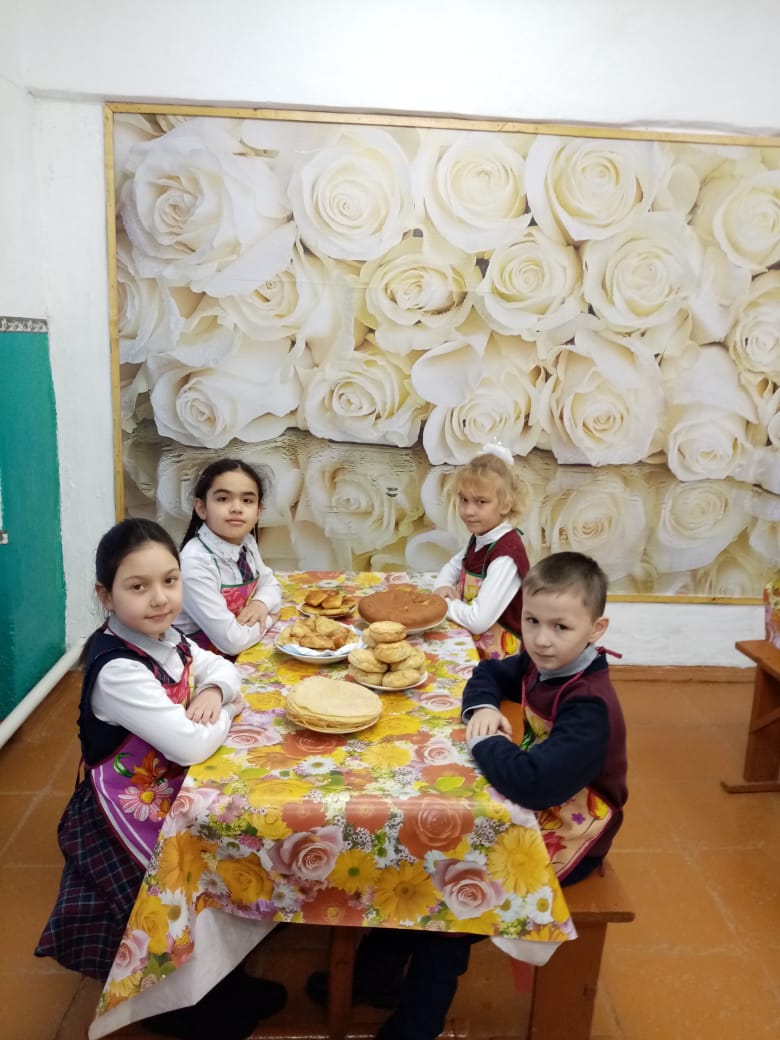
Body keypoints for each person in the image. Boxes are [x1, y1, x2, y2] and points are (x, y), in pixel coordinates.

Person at [316, 551, 628, 1040]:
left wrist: (484, 741)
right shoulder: (544, 662)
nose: (542, 639)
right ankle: (376, 977)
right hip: (544, 793)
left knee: (454, 902)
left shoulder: (589, 704)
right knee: (420, 857)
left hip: (577, 827)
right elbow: (489, 674)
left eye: (561, 627)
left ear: (596, 629)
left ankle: (415, 1027)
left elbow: (532, 784)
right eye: (532, 621)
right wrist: (481, 708)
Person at [35, 518, 286, 1040]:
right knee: (165, 911)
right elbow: (189, 744)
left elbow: (224, 669)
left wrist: (213, 692)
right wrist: (228, 711)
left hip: (169, 791)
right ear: (105, 595)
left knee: (210, 890)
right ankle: (175, 1011)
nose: (159, 598)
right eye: (138, 586)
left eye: (170, 581)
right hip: (125, 812)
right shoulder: (118, 668)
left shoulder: (166, 637)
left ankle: (222, 984)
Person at [175, 459, 282, 658]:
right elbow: (232, 642)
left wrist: (260, 603)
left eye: (247, 500)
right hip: (197, 663)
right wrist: (270, 617)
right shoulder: (194, 563)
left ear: (258, 511)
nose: (236, 508)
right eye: (223, 499)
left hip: (238, 650)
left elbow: (271, 584)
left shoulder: (246, 542)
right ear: (201, 508)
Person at [433, 442, 530, 659]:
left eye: (481, 502)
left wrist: (442, 603)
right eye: (464, 500)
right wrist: (442, 587)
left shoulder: (506, 555)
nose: (468, 511)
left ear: (505, 505)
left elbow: (477, 621)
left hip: (500, 660)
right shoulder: (482, 539)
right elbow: (452, 566)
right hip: (473, 643)